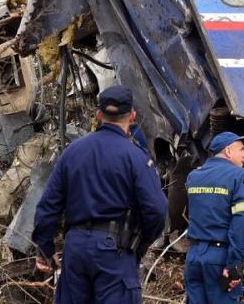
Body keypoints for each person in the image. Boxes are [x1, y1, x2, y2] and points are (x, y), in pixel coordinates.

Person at [32, 86, 169, 304]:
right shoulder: (136, 158)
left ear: (98, 115)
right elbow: (157, 210)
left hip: (75, 250)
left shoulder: (72, 153)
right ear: (132, 116)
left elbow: (48, 206)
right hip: (115, 253)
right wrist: (139, 245)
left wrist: (45, 248)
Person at [183, 131, 244, 303]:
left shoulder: (194, 176)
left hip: (193, 258)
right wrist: (234, 264)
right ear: (228, 151)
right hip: (220, 259)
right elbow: (241, 225)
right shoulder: (238, 176)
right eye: (242, 150)